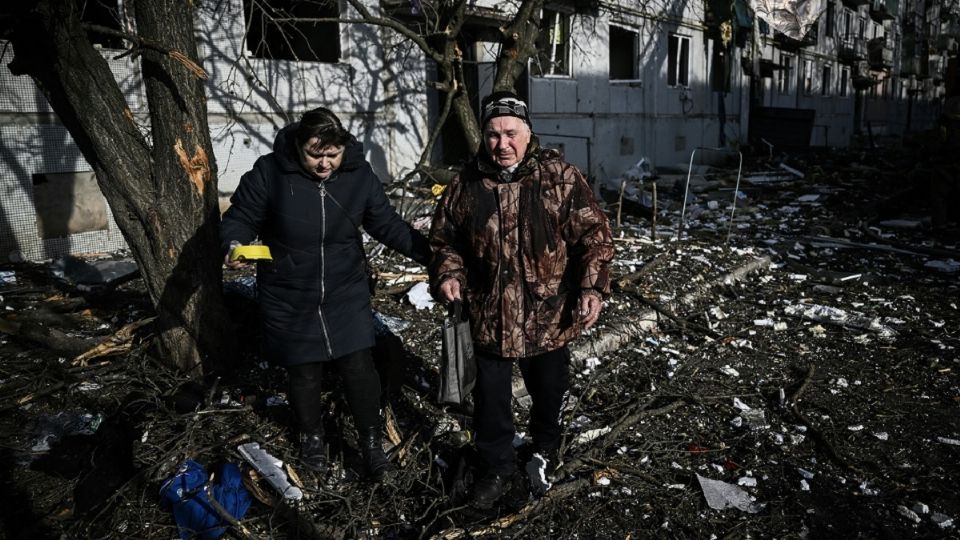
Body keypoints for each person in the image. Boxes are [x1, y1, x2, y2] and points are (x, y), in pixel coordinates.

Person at [220, 107, 431, 481]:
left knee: (358, 364)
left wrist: (431, 253)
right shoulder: (270, 173)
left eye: (331, 155)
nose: (324, 164)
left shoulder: (358, 176)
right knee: (303, 370)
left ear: (342, 149)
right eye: (314, 155)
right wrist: (234, 243)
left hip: (344, 287)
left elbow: (386, 225)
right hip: (288, 291)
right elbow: (241, 217)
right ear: (298, 146)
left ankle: (370, 444)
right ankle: (312, 440)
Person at [428, 91, 614, 508]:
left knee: (549, 390)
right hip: (488, 315)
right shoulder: (465, 184)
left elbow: (595, 238)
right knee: (490, 400)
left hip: (548, 314)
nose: (502, 144)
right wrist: (449, 274)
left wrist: (590, 287)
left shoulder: (559, 177)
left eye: (511, 133)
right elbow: (444, 242)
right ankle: (497, 467)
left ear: (528, 134)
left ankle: (544, 452)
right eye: (493, 135)